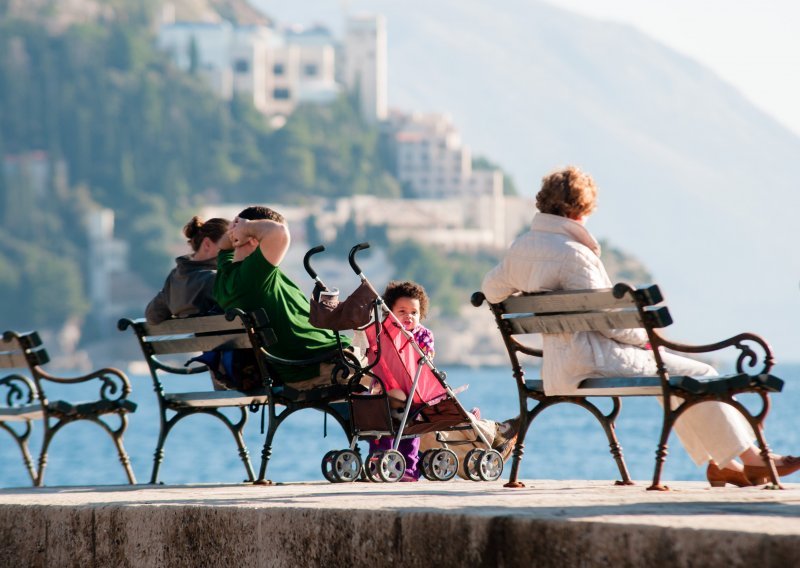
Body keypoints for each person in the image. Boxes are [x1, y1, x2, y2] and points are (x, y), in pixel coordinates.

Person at [481, 165, 799, 487]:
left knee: (678, 378)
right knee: (700, 375)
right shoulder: (575, 254)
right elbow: (611, 325)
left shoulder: (520, 249)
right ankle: (752, 460)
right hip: (594, 360)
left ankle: (726, 465)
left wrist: (535, 296)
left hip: (559, 366)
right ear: (579, 211)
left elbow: (492, 290)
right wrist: (648, 340)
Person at [373, 281, 519, 481]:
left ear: (421, 314)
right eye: (402, 311)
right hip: (391, 389)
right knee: (381, 411)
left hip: (418, 388)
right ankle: (477, 421)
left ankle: (475, 422)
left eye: (414, 313)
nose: (409, 316)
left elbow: (426, 364)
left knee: (419, 418)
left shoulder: (422, 335)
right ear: (390, 312)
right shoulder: (385, 335)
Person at [213, 205, 351, 389]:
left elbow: (222, 244)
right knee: (397, 380)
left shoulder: (226, 276)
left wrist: (238, 229)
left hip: (304, 369)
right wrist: (245, 228)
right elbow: (280, 233)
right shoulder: (253, 276)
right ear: (254, 240)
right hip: (323, 365)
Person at [145, 216, 229, 325]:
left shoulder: (175, 278)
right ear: (207, 244)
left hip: (198, 342)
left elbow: (152, 316)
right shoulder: (216, 279)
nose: (234, 252)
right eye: (229, 246)